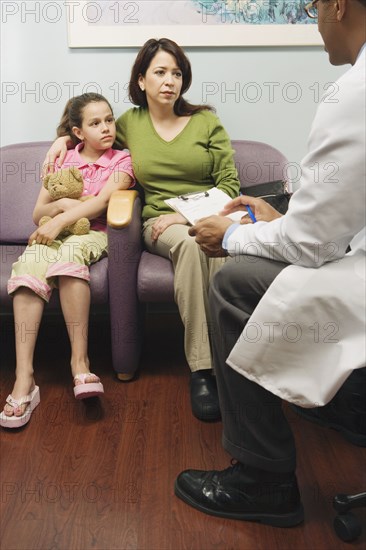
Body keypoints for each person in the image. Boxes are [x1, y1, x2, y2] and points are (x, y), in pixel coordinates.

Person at [174, 0, 366, 526]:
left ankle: (263, 479)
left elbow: (313, 244)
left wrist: (237, 234)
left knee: (235, 282)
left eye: (314, 5)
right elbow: (336, 215)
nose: (315, 17)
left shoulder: (355, 91)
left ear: (338, 5)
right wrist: (281, 214)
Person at [42, 39, 241, 422]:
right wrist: (61, 139)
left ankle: (229, 365)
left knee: (211, 245)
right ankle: (203, 371)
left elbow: (230, 185)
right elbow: (90, 134)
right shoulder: (130, 124)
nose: (170, 81)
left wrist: (187, 216)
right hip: (157, 223)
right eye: (161, 72)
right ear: (142, 80)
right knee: (188, 244)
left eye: (177, 73)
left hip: (203, 217)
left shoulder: (207, 122)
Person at [0, 93, 134, 429]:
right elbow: (37, 213)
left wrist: (60, 217)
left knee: (71, 257)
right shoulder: (63, 161)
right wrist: (58, 211)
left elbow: (103, 202)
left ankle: (80, 362)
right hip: (51, 234)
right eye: (95, 123)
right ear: (77, 132)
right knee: (30, 267)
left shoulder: (122, 159)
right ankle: (24, 379)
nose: (106, 127)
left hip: (93, 234)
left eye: (108, 119)